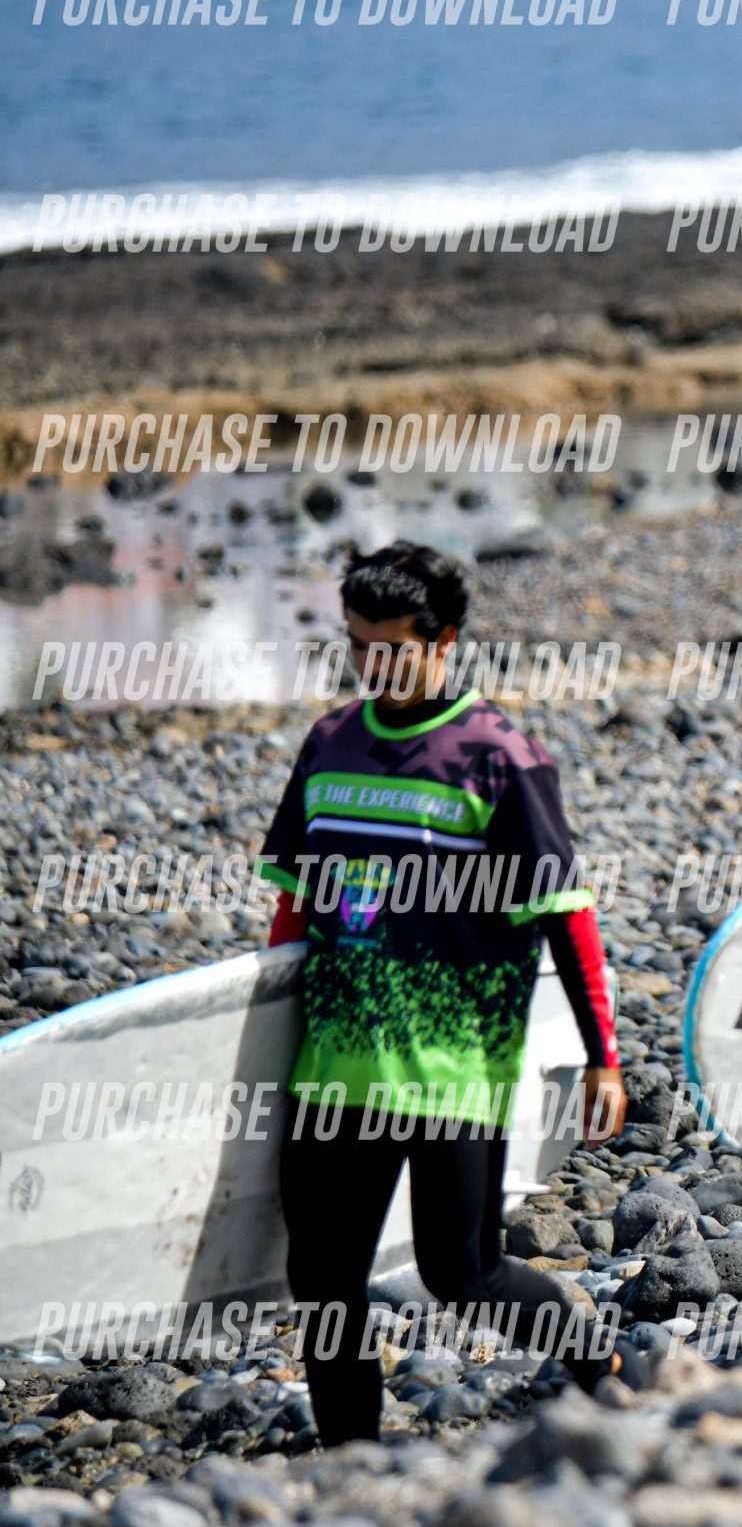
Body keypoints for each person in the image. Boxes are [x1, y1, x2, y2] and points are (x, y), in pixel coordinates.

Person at [257, 541, 625, 1447]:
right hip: (335, 1067)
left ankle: (594, 1357)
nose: (372, 666)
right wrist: (260, 1038)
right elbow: (294, 905)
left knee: (462, 1273)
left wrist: (602, 1057)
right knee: (324, 1279)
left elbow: (565, 911)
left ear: (444, 641)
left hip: (454, 1068)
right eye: (357, 645)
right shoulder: (331, 742)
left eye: (392, 648)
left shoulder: (498, 755)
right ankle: (349, 1457)